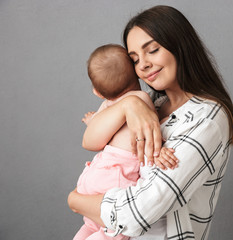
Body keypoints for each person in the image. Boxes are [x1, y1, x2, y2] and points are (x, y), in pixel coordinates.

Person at [68, 5, 233, 240]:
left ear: (180, 46)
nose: (143, 65)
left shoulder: (207, 119)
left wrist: (76, 200)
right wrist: (130, 105)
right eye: (135, 59)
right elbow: (92, 140)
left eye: (153, 50)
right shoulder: (153, 104)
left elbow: (136, 214)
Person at [73, 44, 178, 240]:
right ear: (136, 73)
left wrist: (92, 121)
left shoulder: (107, 105)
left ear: (98, 92)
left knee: (89, 228)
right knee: (113, 233)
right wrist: (160, 148)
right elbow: (150, 130)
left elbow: (97, 135)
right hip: (116, 178)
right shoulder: (140, 99)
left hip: (94, 175)